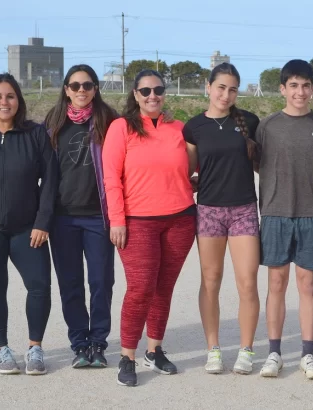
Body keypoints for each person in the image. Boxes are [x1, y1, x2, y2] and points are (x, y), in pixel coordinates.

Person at [103, 69, 196, 387]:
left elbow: (189, 170)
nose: (153, 96)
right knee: (140, 288)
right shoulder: (121, 127)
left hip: (180, 219)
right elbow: (110, 178)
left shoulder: (179, 129)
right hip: (137, 221)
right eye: (145, 91)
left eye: (158, 90)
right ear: (135, 95)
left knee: (163, 288)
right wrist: (117, 219)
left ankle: (154, 350)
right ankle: (127, 357)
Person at [0, 73, 58, 376]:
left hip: (27, 227)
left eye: (10, 96)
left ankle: (35, 348)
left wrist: (42, 222)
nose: (4, 102)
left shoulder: (35, 134)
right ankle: (1, 349)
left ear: (19, 100)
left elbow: (51, 180)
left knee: (40, 286)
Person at [255, 59, 313, 380]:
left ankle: (307, 355)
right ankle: (274, 352)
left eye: (306, 85)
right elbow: (260, 164)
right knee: (276, 283)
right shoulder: (268, 125)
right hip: (275, 214)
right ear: (282, 89)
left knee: (308, 285)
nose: (300, 91)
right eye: (293, 85)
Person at [184, 63, 261, 375]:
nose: (226, 94)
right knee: (211, 281)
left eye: (232, 89)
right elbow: (190, 173)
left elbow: (262, 164)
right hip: (210, 212)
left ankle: (246, 350)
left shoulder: (249, 122)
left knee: (247, 282)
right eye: (220, 87)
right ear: (208, 86)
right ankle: (213, 349)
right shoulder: (193, 127)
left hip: (244, 210)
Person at [44, 64, 117, 369]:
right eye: (75, 86)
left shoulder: (110, 121)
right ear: (66, 90)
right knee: (70, 284)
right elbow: (42, 172)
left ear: (96, 88)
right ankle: (79, 344)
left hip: (98, 216)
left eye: (87, 85)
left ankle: (98, 343)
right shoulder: (53, 121)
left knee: (101, 281)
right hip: (63, 218)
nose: (81, 91)